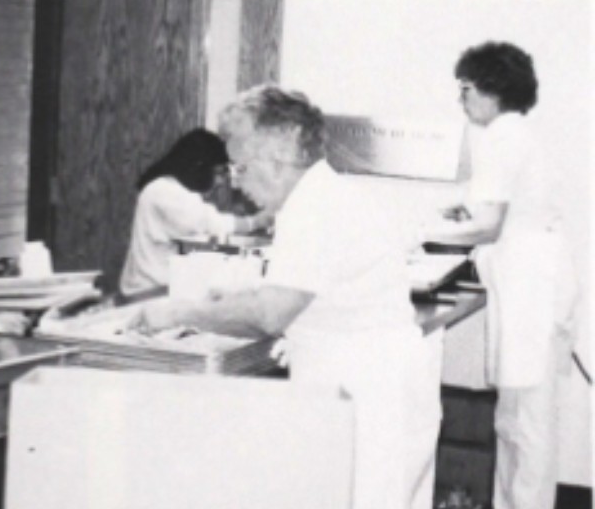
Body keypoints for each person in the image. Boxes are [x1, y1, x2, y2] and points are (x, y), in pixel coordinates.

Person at [135, 85, 439, 509]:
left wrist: (178, 313)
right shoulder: (322, 195)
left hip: (371, 399)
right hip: (370, 387)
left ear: (278, 155)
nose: (238, 185)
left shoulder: (313, 209)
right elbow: (303, 292)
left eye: (240, 168)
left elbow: (271, 313)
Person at [426, 41, 578, 509]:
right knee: (520, 420)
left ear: (493, 90)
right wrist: (461, 211)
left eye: (467, 89)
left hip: (530, 287)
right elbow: (495, 208)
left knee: (524, 425)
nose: (462, 99)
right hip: (534, 281)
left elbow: (489, 225)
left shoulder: (501, 135)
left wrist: (416, 234)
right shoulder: (516, 133)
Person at [119, 127, 272, 297]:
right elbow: (209, 223)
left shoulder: (166, 188)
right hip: (149, 292)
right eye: (219, 172)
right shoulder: (164, 191)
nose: (221, 181)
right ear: (199, 167)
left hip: (155, 287)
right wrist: (258, 221)